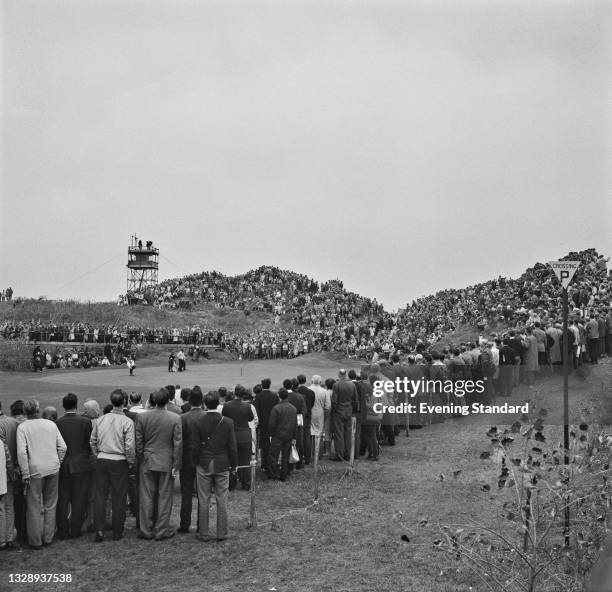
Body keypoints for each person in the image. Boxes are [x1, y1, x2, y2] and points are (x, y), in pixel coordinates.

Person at [16, 399, 67, 549]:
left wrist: (25, 473)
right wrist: (57, 462)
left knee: (34, 505)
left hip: (35, 470)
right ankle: (48, 537)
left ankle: (36, 540)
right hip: (52, 467)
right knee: (50, 504)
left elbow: (21, 452)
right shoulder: (50, 424)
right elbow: (63, 447)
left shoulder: (23, 427)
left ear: (25, 412)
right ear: (37, 410)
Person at [135, 387, 182, 541]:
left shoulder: (142, 417)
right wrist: (176, 464)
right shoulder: (174, 418)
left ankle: (146, 529)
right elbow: (178, 444)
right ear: (168, 400)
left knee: (146, 496)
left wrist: (142, 457)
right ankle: (161, 529)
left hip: (148, 460)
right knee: (164, 496)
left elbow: (139, 442)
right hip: (166, 461)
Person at [90, 389, 135, 542]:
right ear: (124, 402)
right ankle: (117, 531)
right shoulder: (127, 422)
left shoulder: (100, 419)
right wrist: (130, 462)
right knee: (119, 497)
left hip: (103, 459)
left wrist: (98, 455)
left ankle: (100, 530)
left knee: (100, 496)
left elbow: (93, 441)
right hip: (119, 460)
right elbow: (129, 446)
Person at [191, 391, 237, 542]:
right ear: (218, 403)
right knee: (222, 498)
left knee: (203, 498)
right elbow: (232, 447)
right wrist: (234, 464)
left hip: (204, 463)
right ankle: (222, 533)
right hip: (221, 463)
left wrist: (196, 462)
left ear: (205, 404)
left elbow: (195, 447)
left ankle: (204, 533)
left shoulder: (199, 422)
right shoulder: (228, 422)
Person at [56, 393, 95, 539]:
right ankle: (75, 529)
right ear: (76, 405)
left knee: (63, 499)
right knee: (79, 498)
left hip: (65, 464)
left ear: (64, 406)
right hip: (80, 464)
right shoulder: (84, 422)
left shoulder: (58, 423)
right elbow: (89, 443)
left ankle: (64, 530)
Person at [178, 387, 205, 534]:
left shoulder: (183, 417)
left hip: (187, 458)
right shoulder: (203, 416)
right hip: (201, 458)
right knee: (202, 492)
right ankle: (201, 524)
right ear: (201, 401)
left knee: (187, 492)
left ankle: (185, 524)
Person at [222, 385, 254, 490]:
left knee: (232, 460)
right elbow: (250, 418)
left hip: (232, 436)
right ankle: (246, 483)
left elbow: (224, 418)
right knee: (245, 460)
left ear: (235, 393)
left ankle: (231, 484)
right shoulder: (247, 406)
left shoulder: (227, 406)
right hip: (244, 436)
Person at [0, 401, 19, 549]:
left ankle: (3, 539)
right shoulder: (14, 421)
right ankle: (10, 537)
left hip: (5, 470)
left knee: (2, 507)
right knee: (9, 505)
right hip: (12, 469)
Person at [268, 388, 297, 482]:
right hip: (288, 435)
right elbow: (295, 424)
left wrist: (271, 434)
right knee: (285, 456)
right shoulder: (293, 408)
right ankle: (283, 475)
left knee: (273, 455)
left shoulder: (276, 408)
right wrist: (293, 436)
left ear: (279, 396)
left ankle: (274, 474)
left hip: (278, 435)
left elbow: (271, 424)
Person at [330, 369, 358, 461]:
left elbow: (334, 400)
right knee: (348, 433)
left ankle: (340, 454)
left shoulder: (336, 385)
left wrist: (335, 410)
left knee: (339, 434)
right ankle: (348, 453)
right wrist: (352, 410)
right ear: (346, 374)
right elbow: (355, 399)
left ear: (339, 374)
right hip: (348, 411)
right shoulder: (352, 384)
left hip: (339, 411)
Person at [253, 378, 278, 474]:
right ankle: (270, 464)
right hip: (272, 423)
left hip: (262, 424)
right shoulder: (274, 396)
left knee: (264, 445)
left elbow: (256, 411)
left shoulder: (258, 397)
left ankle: (265, 464)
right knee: (271, 445)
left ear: (262, 385)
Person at [309, 375, 330, 459]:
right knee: (319, 433)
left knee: (310, 433)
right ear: (320, 382)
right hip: (320, 413)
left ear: (311, 381)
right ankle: (318, 454)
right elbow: (328, 406)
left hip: (310, 412)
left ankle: (310, 453)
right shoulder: (325, 391)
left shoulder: (308, 389)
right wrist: (325, 414)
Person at [296, 374, 315, 465]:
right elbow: (311, 404)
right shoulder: (311, 392)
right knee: (307, 437)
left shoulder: (296, 392)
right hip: (307, 416)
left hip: (298, 416)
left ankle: (299, 457)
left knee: (299, 437)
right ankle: (307, 458)